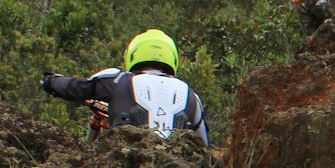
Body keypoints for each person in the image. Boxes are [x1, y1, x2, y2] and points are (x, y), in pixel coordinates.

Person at [41, 29, 209, 145]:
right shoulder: (192, 96)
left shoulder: (118, 80)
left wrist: (50, 81)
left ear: (134, 53)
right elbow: (204, 145)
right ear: (172, 58)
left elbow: (76, 87)